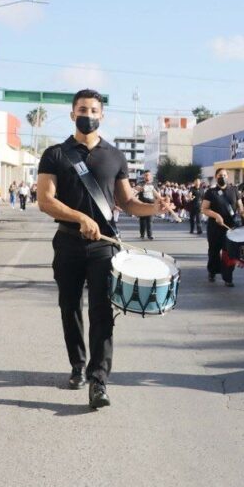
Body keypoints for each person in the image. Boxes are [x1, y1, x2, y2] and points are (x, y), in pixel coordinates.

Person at [36, 89, 172, 408]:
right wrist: (80, 216)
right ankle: (77, 366)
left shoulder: (114, 155)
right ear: (73, 114)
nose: (88, 114)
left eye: (94, 110)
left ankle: (99, 380)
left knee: (102, 313)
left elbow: (127, 202)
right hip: (68, 242)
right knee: (69, 307)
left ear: (102, 115)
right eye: (82, 109)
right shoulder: (55, 154)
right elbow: (45, 200)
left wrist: (154, 208)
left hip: (103, 249)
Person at [202, 168, 244, 287]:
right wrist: (216, 215)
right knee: (214, 252)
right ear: (216, 177)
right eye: (220, 175)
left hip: (230, 227)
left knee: (229, 253)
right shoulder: (211, 192)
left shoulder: (234, 190)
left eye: (225, 175)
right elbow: (204, 209)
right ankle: (212, 271)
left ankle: (228, 277)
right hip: (215, 227)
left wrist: (242, 212)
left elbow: (240, 205)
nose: (223, 177)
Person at [137, 172, 157, 240]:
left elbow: (157, 194)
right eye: (145, 175)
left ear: (151, 176)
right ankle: (142, 234)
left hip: (151, 204)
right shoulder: (141, 183)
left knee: (150, 220)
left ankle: (150, 235)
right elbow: (138, 189)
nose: (147, 177)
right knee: (142, 220)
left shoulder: (154, 184)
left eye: (148, 175)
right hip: (142, 204)